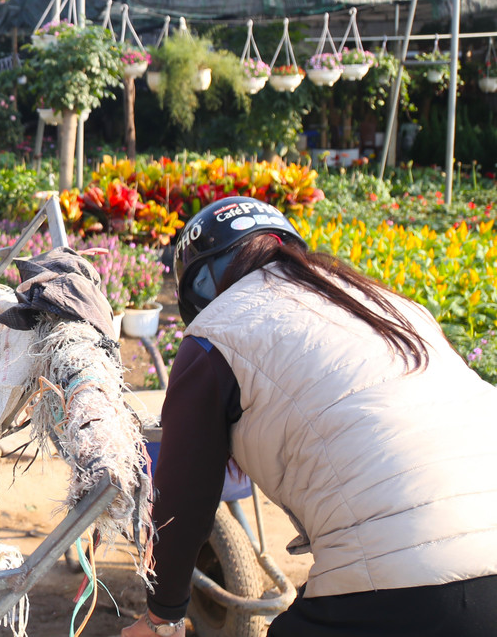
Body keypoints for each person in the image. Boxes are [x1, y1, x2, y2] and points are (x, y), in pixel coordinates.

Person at [123, 196, 497, 637]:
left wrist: (162, 615)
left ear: (201, 287)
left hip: (412, 578)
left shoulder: (215, 331)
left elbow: (182, 496)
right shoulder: (386, 304)